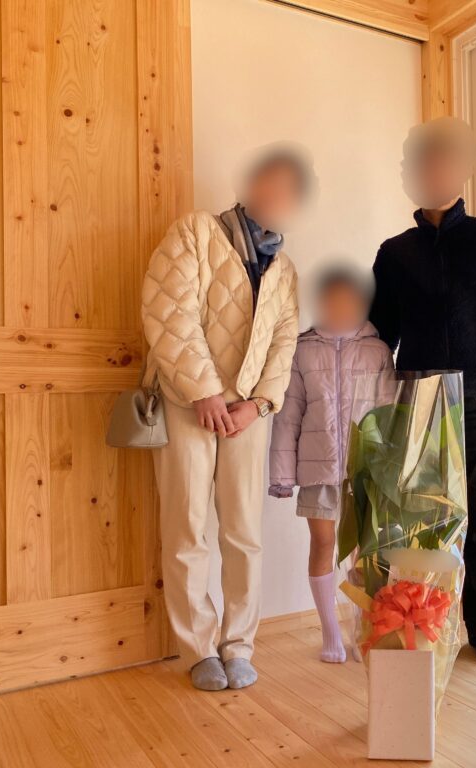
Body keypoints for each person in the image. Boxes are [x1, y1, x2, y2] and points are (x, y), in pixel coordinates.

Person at [140, 146, 313, 691]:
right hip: (186, 402)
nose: (278, 196)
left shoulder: (285, 270)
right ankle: (198, 648)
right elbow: (169, 311)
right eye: (271, 183)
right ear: (251, 184)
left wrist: (259, 404)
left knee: (243, 531)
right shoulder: (194, 232)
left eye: (290, 190)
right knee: (186, 526)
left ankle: (239, 645)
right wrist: (204, 392)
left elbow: (284, 343)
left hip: (247, 414)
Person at [369, 117, 476, 664]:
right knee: (423, 520)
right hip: (418, 403)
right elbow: (378, 334)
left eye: (443, 161)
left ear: (460, 170)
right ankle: (425, 623)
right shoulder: (394, 253)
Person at [267, 266, 393, 662]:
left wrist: (390, 471)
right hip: (317, 470)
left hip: (365, 470)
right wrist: (282, 475)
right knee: (323, 543)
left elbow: (389, 414)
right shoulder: (301, 350)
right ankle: (330, 633)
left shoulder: (377, 350)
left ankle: (362, 630)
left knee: (363, 553)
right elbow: (288, 415)